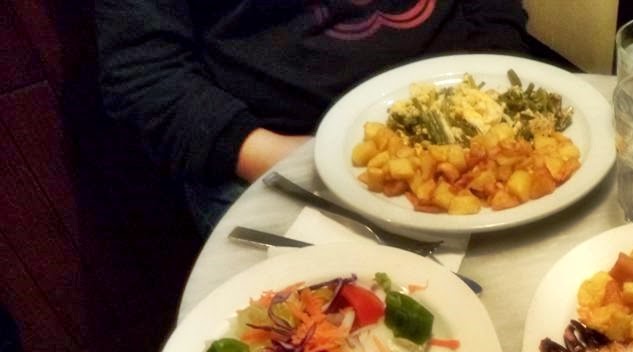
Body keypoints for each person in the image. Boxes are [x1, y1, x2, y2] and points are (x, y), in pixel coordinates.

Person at [95, 0, 536, 237]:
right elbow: (143, 71)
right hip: (276, 155)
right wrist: (286, 157)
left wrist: (493, 87)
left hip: (476, 110)